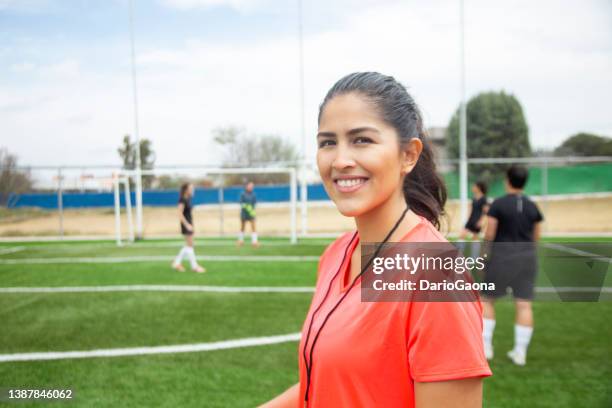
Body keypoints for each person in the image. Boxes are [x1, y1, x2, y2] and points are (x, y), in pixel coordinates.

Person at [260, 72, 490, 408]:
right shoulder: (337, 254)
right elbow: (327, 382)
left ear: (408, 155)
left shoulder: (437, 276)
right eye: (327, 142)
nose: (340, 160)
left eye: (362, 140)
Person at [481, 165, 544, 365]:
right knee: (524, 304)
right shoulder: (533, 206)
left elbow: (490, 234)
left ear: (507, 180)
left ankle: (486, 348)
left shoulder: (498, 204)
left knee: (487, 300)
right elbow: (536, 237)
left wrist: (483, 256)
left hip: (501, 258)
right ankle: (520, 353)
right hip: (526, 259)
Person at [172, 183, 205, 273]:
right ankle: (194, 267)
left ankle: (176, 263)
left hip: (189, 224)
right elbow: (179, 213)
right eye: (191, 188)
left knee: (188, 246)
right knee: (190, 246)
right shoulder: (182, 199)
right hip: (186, 225)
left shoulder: (188, 199)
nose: (192, 190)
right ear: (186, 190)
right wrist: (187, 225)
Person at [237, 181, 259, 247]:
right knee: (242, 227)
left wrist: (252, 211)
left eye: (252, 186)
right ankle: (240, 241)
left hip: (251, 214)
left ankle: (254, 242)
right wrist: (247, 207)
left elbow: (255, 204)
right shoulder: (242, 194)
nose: (251, 187)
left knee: (253, 227)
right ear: (247, 186)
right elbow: (241, 203)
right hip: (244, 214)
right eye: (250, 186)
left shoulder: (254, 194)